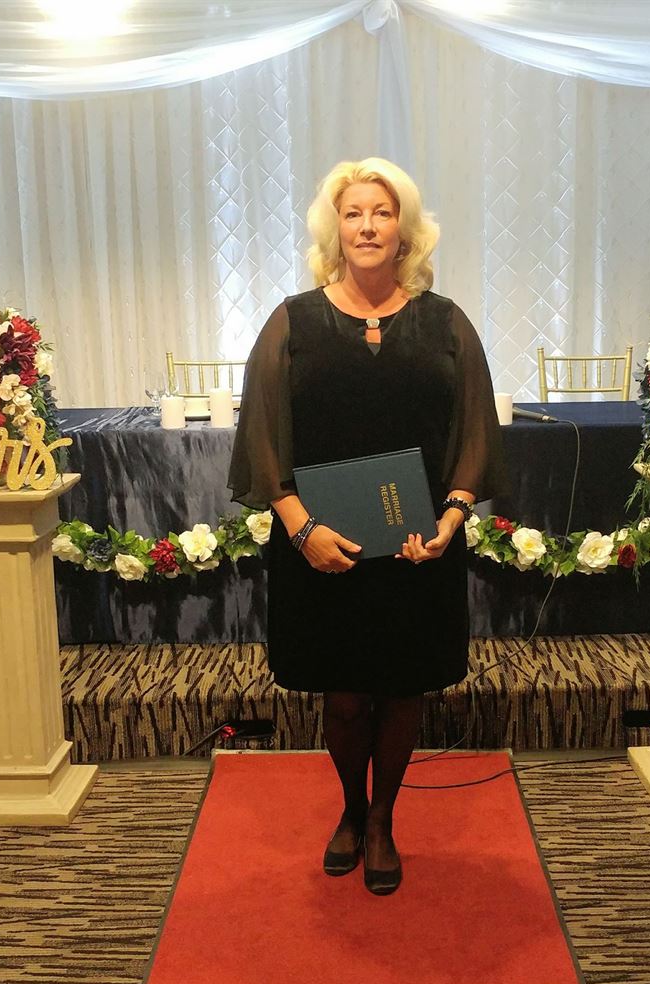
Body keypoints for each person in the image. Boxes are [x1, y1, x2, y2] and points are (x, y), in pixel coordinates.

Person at [228, 157, 508, 896]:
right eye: (353, 213)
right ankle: (351, 810)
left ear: (405, 230)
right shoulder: (292, 322)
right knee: (347, 695)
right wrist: (301, 530)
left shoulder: (446, 323)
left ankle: (383, 820)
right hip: (321, 549)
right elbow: (262, 438)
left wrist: (452, 518)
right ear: (335, 229)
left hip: (420, 549)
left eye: (382, 213)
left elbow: (475, 429)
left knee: (403, 690)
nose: (368, 226)